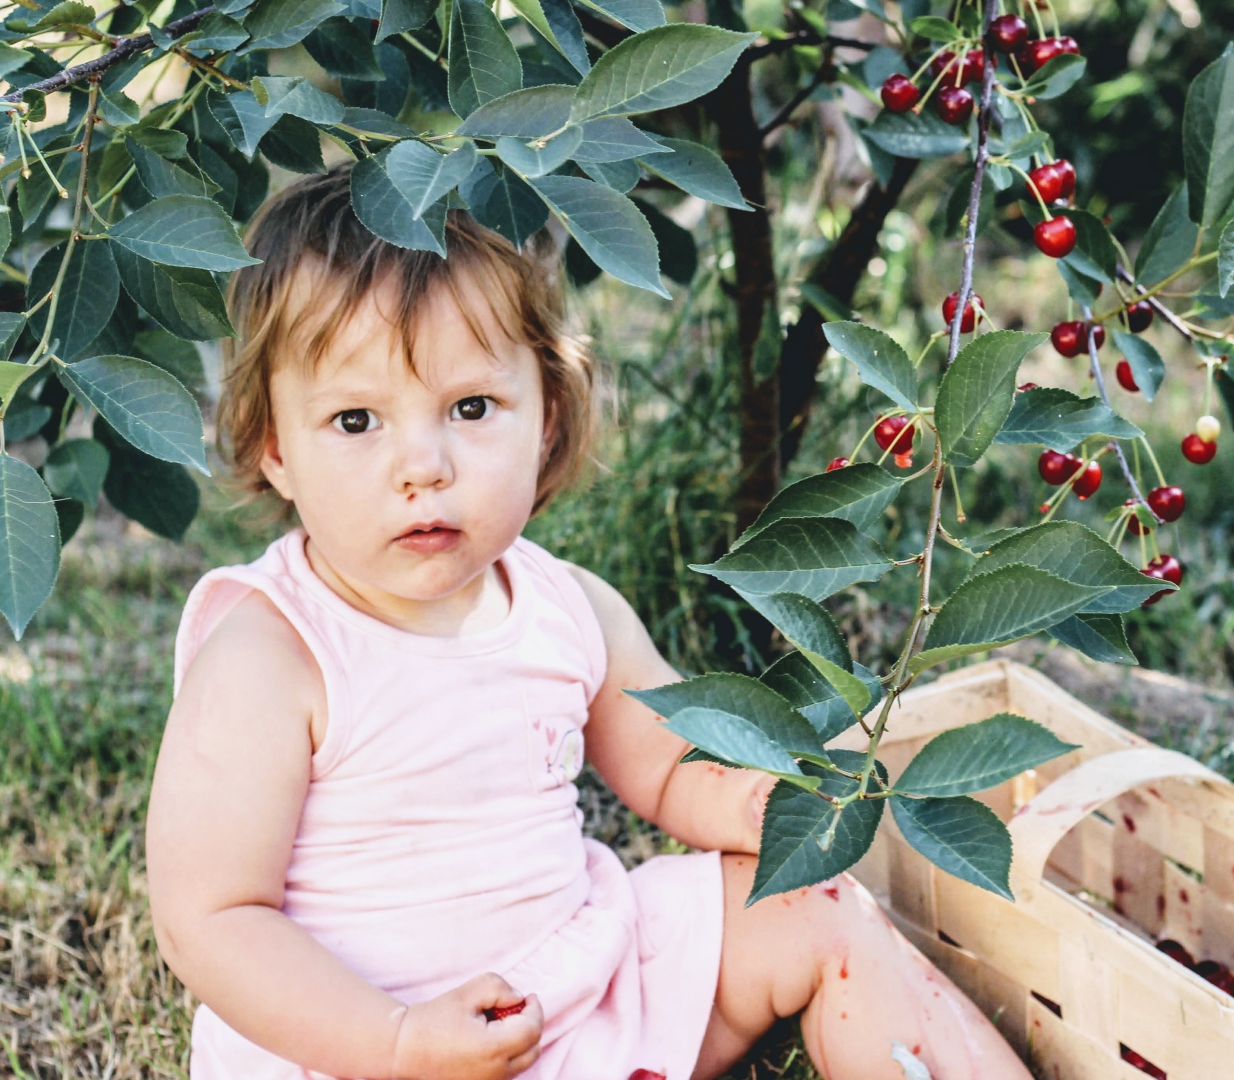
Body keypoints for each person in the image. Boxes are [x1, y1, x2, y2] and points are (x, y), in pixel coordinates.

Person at [145, 163, 1030, 1080]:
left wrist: (758, 800)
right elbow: (209, 916)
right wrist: (396, 1043)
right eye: (358, 419)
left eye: (472, 407)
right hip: (358, 1046)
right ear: (274, 447)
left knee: (819, 908)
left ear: (550, 418)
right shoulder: (271, 653)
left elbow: (670, 764)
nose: (424, 464)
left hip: (571, 995)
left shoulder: (567, 608)